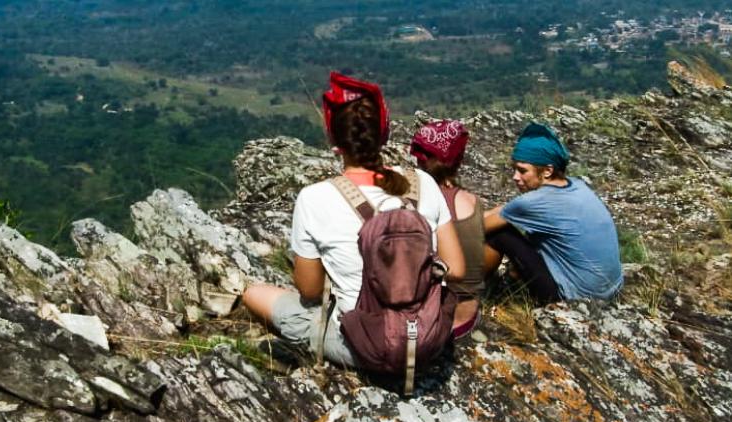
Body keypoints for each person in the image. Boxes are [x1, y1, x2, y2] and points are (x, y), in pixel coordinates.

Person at [242, 71, 465, 368]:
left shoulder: (314, 198)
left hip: (365, 349)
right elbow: (457, 269)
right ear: (383, 133)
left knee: (255, 294)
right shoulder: (422, 181)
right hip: (427, 339)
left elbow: (309, 291)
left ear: (335, 140)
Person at [483, 122, 623, 303]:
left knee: (498, 234)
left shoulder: (534, 202)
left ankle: (472, 294)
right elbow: (508, 209)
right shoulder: (577, 185)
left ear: (548, 170)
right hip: (609, 290)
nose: (515, 177)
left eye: (522, 170)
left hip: (573, 297)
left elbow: (477, 228)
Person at [410, 119, 484, 338]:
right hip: (468, 314)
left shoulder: (417, 205)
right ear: (459, 160)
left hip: (435, 317)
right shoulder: (472, 201)